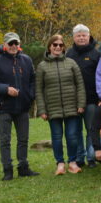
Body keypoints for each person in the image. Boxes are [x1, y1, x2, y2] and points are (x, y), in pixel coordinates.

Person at [0, 32, 39, 181]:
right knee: (5, 140)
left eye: (16, 43)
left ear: (19, 44)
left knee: (23, 139)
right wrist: (5, 89)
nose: (13, 46)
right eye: (10, 43)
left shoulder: (26, 60)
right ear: (5, 45)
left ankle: (23, 167)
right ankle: (7, 170)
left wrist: (31, 95)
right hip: (4, 107)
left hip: (23, 107)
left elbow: (33, 80)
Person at [35, 35, 86, 175]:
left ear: (63, 47)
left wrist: (81, 104)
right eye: (55, 45)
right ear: (49, 47)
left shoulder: (71, 63)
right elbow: (38, 90)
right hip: (52, 109)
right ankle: (60, 164)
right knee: (56, 137)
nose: (58, 47)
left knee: (72, 136)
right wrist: (42, 110)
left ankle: (72, 162)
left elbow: (80, 85)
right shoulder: (42, 66)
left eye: (60, 45)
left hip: (72, 107)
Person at [66, 24, 101, 166]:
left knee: (91, 129)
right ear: (74, 37)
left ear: (89, 36)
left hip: (92, 99)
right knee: (75, 131)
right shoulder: (69, 54)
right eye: (78, 35)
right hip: (73, 100)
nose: (81, 38)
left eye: (84, 35)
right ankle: (79, 157)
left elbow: (100, 77)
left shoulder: (96, 53)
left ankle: (91, 157)